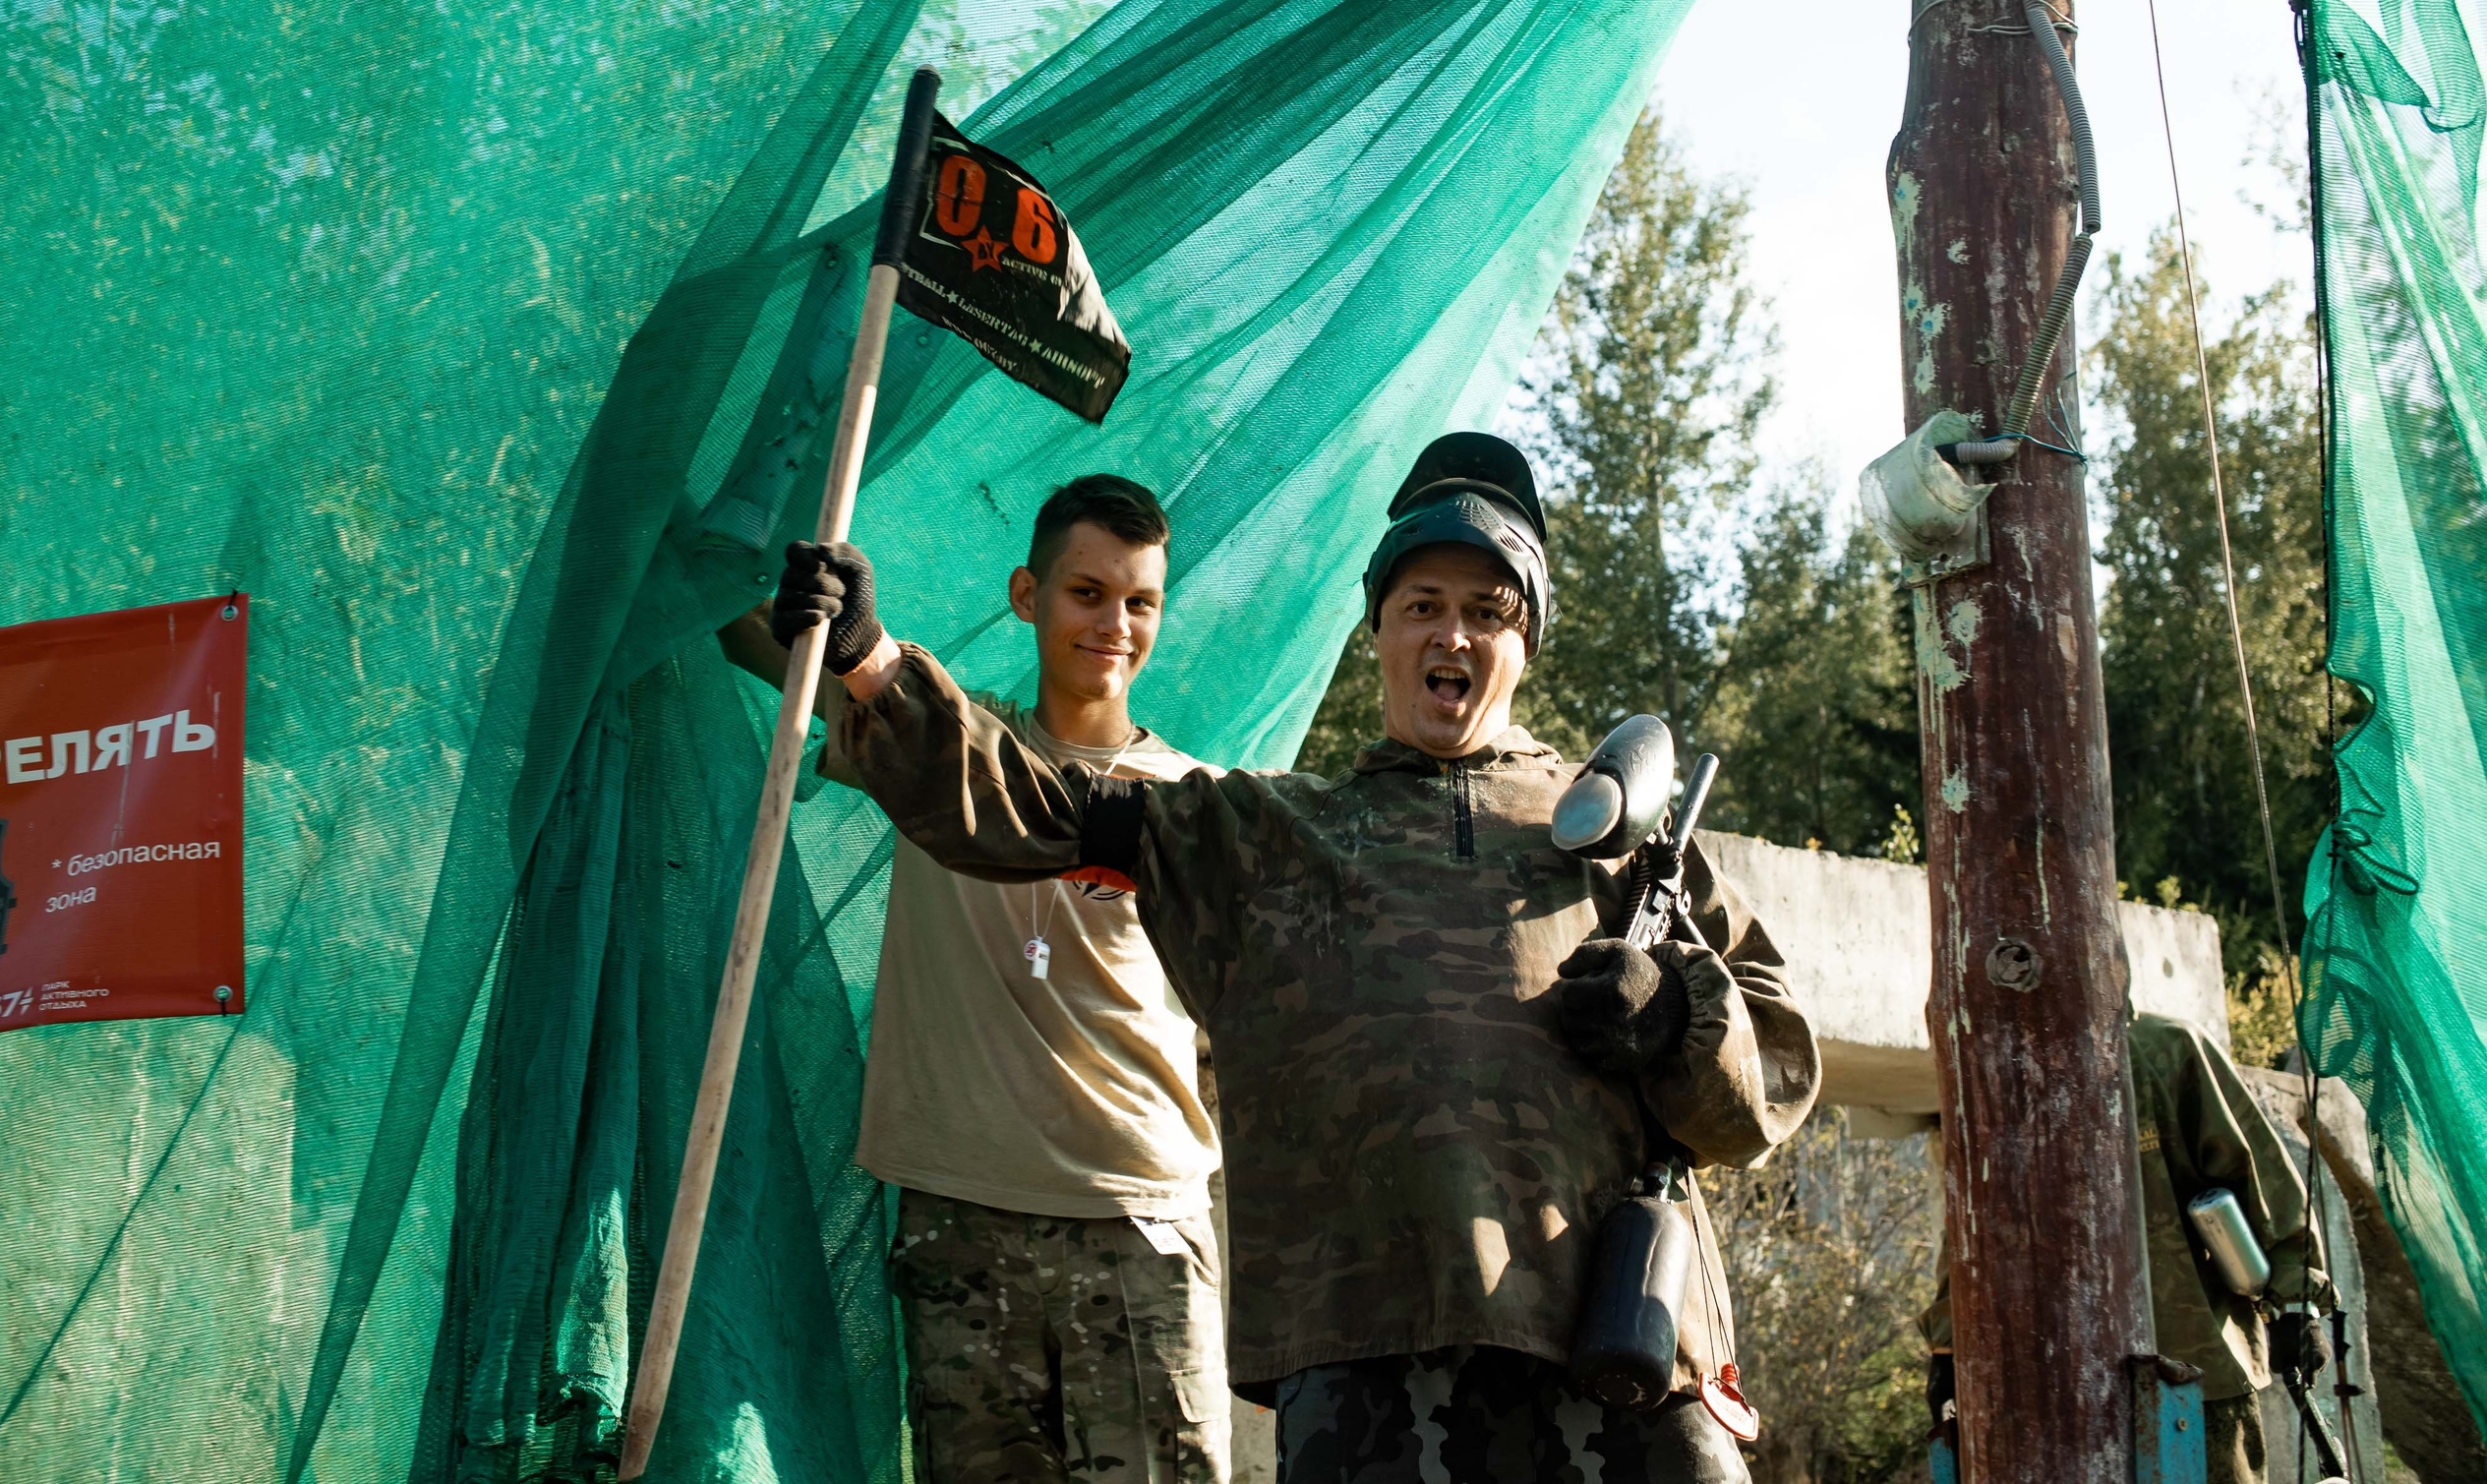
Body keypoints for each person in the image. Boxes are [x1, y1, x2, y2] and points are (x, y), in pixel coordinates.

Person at [776, 432, 1821, 1482]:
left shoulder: (1623, 850)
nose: (1450, 633)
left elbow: (1773, 1076)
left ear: (1526, 645)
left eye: (1487, 612)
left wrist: (1677, 1015)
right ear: (1378, 632)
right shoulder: (1264, 831)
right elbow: (1036, 806)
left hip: (1618, 1360)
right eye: (1421, 606)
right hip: (1366, 1376)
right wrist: (873, 667)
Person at [723, 474, 1231, 1483]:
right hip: (960, 1218)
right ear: (1026, 594)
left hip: (1139, 1224)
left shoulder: (1197, 802)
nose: (1115, 624)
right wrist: (796, 596)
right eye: (1087, 593)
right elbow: (760, 640)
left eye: (1141, 602)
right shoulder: (926, 740)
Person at [1920, 1012, 2337, 1484]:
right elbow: (1974, 1222)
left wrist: (2299, 1303)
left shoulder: (2164, 1048)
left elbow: (2258, 1175)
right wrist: (1947, 1349)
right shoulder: (1996, 1064)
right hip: (2049, 1382)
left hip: (2191, 1370)